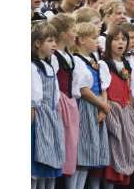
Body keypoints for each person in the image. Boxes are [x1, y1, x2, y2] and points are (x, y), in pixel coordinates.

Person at [71, 22, 111, 189]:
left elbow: (103, 86)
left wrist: (104, 106)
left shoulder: (97, 60)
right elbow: (83, 89)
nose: (97, 41)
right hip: (86, 106)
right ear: (80, 40)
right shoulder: (77, 60)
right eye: (93, 38)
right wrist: (102, 104)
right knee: (82, 151)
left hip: (97, 106)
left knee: (90, 153)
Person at [101, 25, 134, 188]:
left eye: (123, 39)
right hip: (113, 110)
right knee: (113, 150)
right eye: (116, 39)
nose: (120, 42)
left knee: (126, 148)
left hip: (126, 110)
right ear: (109, 42)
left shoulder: (126, 63)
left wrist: (130, 106)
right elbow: (104, 88)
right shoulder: (104, 63)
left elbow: (129, 88)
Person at [48, 14, 84, 188]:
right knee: (61, 143)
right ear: (62, 34)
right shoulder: (54, 57)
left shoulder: (69, 55)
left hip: (70, 102)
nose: (75, 34)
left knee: (71, 144)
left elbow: (75, 82)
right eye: (73, 30)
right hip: (60, 101)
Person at [31, 22, 65, 189]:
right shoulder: (32, 67)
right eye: (50, 40)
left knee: (49, 165)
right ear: (37, 43)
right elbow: (34, 98)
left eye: (55, 40)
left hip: (51, 117)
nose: (54, 45)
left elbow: (55, 94)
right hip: (39, 119)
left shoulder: (50, 65)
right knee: (36, 167)